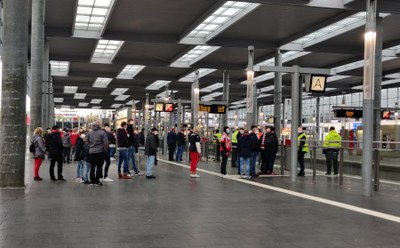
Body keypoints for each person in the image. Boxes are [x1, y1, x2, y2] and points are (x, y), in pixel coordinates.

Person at [87, 121, 109, 186]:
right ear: (99, 126)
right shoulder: (102, 133)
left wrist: (90, 147)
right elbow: (106, 143)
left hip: (91, 152)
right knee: (99, 167)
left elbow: (86, 141)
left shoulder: (89, 133)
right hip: (100, 152)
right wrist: (105, 150)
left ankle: (92, 181)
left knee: (92, 167)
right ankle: (97, 181)